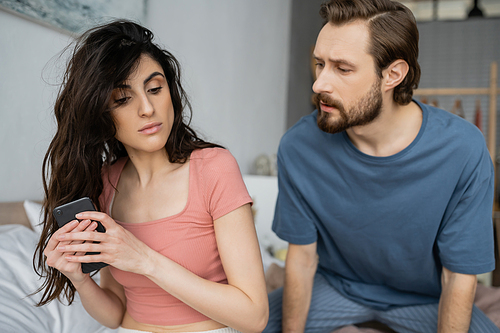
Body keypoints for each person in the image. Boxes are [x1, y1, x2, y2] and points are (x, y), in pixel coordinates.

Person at [263, 0, 498, 332]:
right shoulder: (299, 147)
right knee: (248, 323)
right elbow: (301, 259)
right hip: (335, 287)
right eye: (320, 64)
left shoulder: (463, 150)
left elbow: (458, 275)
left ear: (393, 74)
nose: (319, 85)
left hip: (425, 300)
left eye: (342, 68)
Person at [33, 20, 268, 333]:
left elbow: (255, 317)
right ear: (102, 113)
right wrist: (78, 278)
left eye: (155, 89)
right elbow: (115, 314)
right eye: (122, 98)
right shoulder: (106, 185)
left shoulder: (213, 168)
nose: (147, 108)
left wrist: (143, 258)